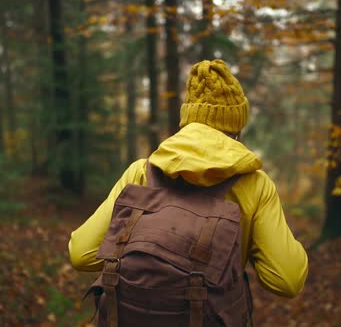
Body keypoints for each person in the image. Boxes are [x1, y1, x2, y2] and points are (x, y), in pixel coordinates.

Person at [68, 59, 308, 324]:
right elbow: (287, 280)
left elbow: (81, 253)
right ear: (238, 127)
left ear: (187, 121)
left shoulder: (141, 172)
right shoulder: (255, 185)